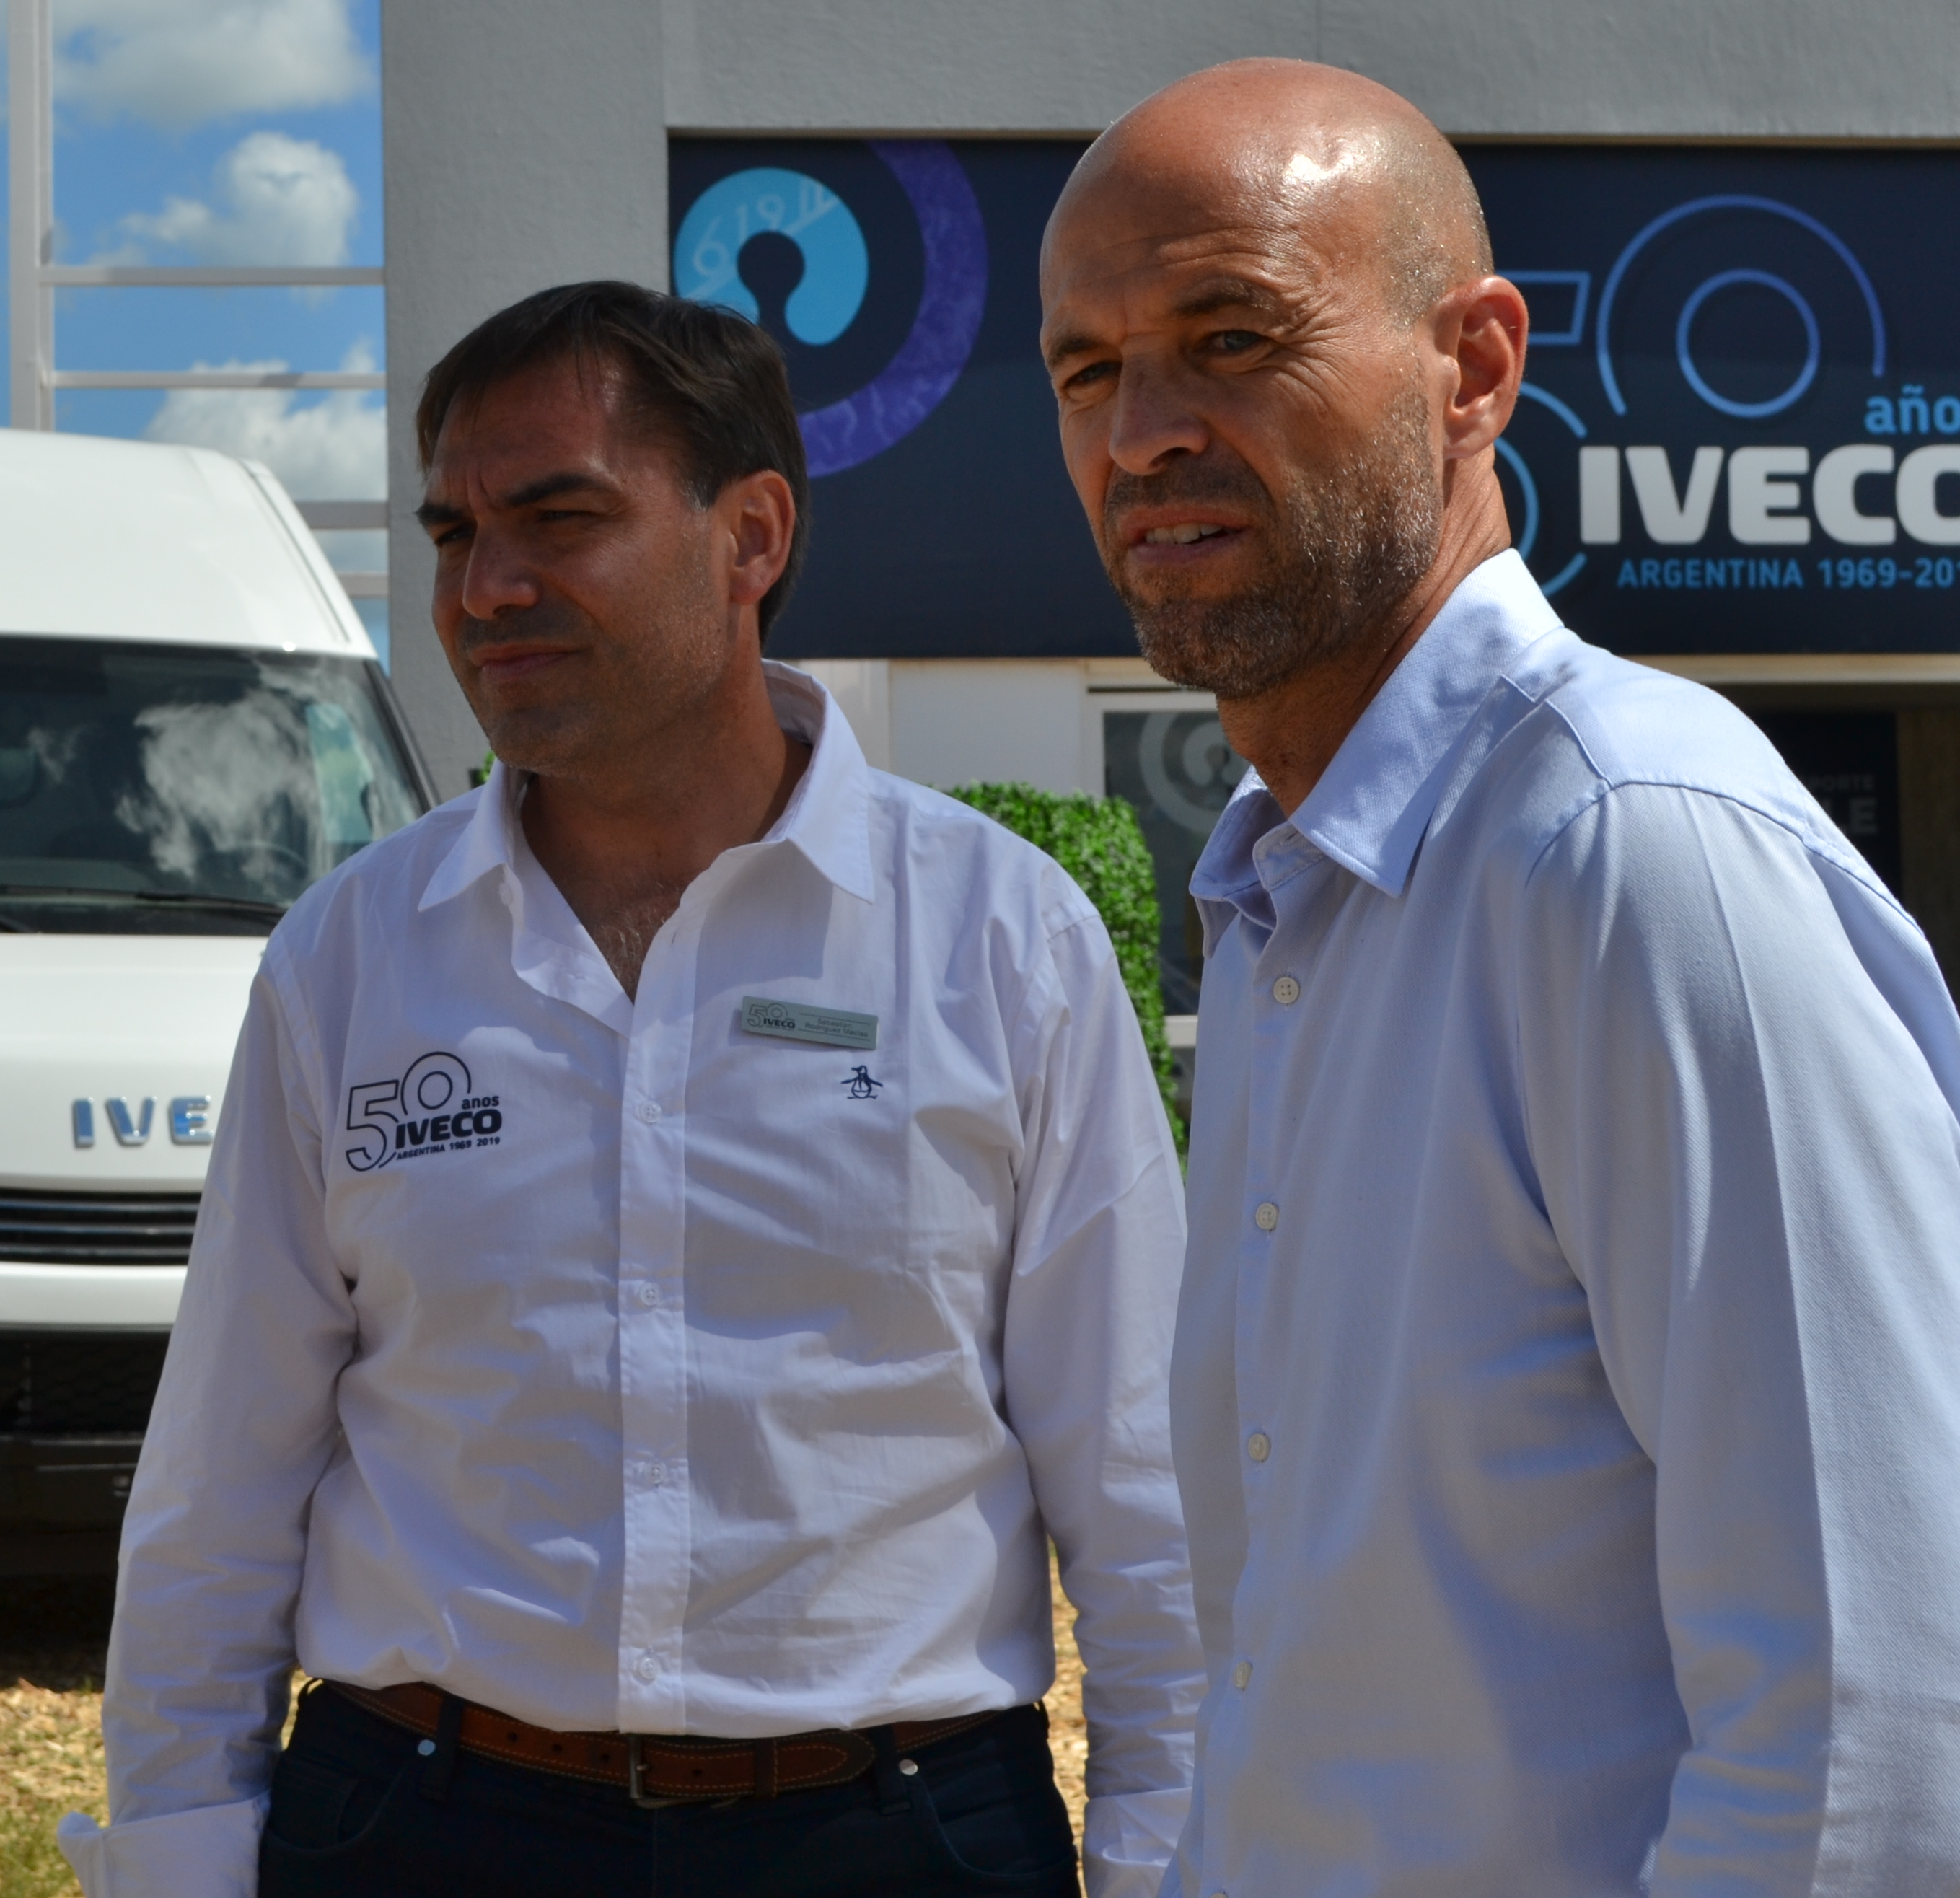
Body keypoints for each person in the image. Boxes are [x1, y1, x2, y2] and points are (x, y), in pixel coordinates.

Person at [1035, 58, 1960, 1896]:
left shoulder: (1632, 853)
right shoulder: (1282, 903)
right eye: (1088, 372)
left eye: (1231, 337)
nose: (1143, 435)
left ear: (1476, 367)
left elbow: (1876, 1767)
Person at [60, 281, 1200, 1898]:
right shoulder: (350, 958)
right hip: (424, 1826)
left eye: (560, 517)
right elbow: (220, 1483)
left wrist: (1170, 1859)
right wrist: (179, 1854)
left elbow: (1148, 1487)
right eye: (454, 533)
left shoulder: (1000, 939)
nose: (486, 587)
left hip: (895, 1836)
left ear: (752, 537)